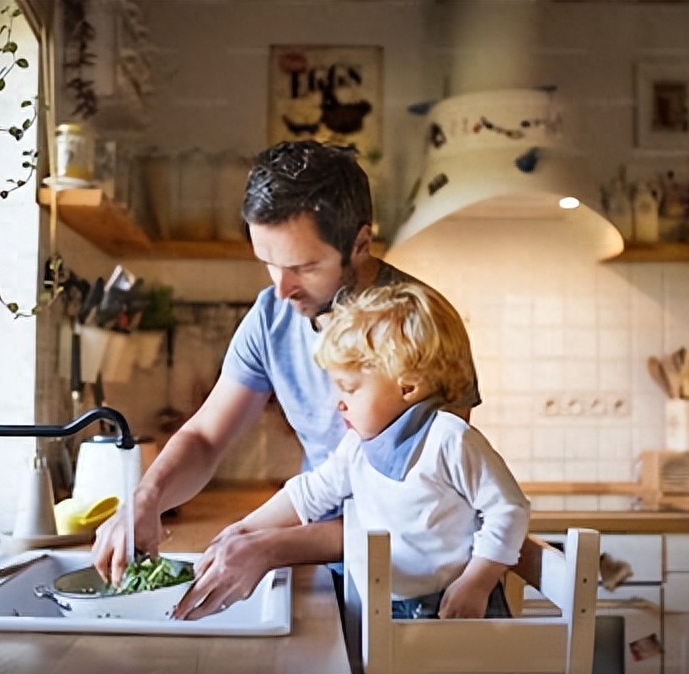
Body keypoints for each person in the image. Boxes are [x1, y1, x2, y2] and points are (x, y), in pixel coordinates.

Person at [91, 140, 481, 619]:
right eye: (269, 262)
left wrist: (275, 546)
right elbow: (206, 436)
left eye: (303, 267)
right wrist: (146, 500)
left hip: (422, 587)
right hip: (330, 562)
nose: (281, 287)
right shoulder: (271, 316)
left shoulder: (421, 327)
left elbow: (423, 508)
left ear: (359, 244)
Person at [223, 282, 530, 619]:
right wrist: (242, 530)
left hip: (454, 606)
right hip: (388, 608)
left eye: (350, 388)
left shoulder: (449, 439)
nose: (338, 402)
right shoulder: (358, 446)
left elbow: (509, 510)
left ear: (407, 387)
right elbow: (309, 493)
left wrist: (477, 582)